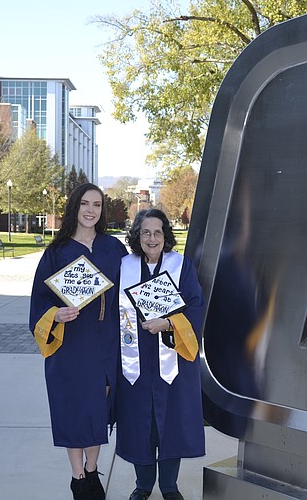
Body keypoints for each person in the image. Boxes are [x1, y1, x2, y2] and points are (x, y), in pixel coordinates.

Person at [29, 182, 127, 500]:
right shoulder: (57, 252)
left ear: (102, 210)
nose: (90, 210)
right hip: (70, 345)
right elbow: (39, 302)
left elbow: (131, 291)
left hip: (106, 342)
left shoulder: (114, 249)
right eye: (85, 203)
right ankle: (78, 476)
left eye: (96, 205)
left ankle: (93, 469)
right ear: (75, 207)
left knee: (98, 407)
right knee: (73, 408)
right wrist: (55, 315)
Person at [116, 209, 206, 500]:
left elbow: (196, 306)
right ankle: (143, 486)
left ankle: (169, 486)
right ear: (137, 236)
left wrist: (167, 323)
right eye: (145, 232)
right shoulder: (124, 267)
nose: (151, 238)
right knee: (140, 422)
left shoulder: (181, 266)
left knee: (170, 422)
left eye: (157, 232)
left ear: (165, 235)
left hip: (173, 359)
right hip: (135, 360)